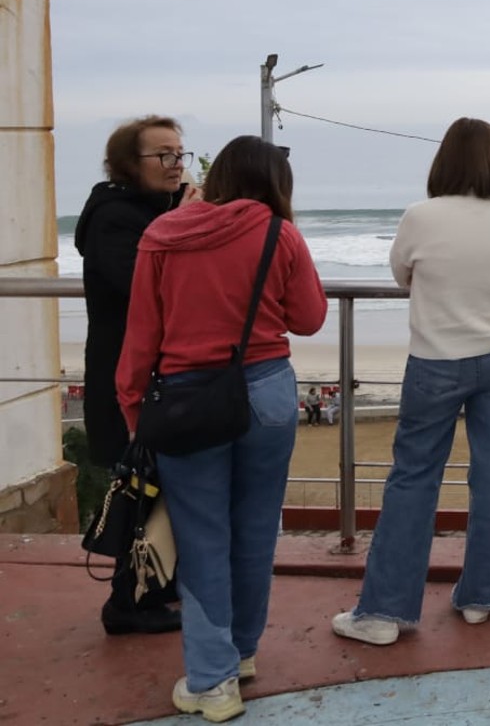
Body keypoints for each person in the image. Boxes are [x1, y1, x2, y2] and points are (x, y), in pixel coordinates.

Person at [116, 136, 327, 723]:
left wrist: (135, 410)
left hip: (187, 402)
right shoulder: (276, 232)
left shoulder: (163, 237)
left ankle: (211, 682)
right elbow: (309, 318)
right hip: (265, 394)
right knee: (256, 529)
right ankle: (242, 653)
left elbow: (141, 338)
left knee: (202, 536)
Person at [333, 118, 490, 646]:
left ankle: (383, 612)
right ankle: (479, 596)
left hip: (437, 361)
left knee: (414, 479)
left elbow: (402, 275)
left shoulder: (420, 217)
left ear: (443, 159)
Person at [74, 114, 200, 636]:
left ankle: (155, 592)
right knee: (137, 488)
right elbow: (146, 285)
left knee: (160, 487)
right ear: (131, 164)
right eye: (164, 155)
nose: (176, 165)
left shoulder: (154, 209)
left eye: (180, 154)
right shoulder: (114, 217)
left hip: (154, 373)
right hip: (123, 377)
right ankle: (126, 604)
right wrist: (186, 221)